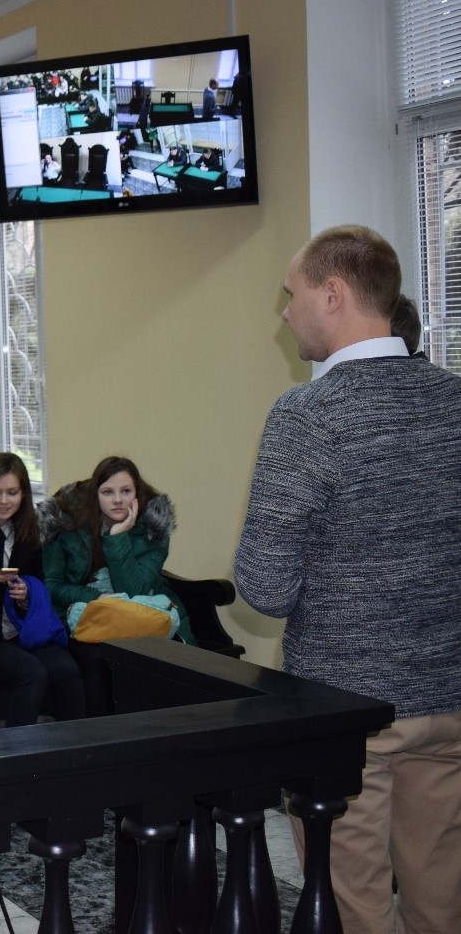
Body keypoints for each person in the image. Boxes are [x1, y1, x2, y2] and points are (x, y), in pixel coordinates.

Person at [234, 224, 461, 934]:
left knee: (354, 907)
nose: (285, 312)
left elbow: (265, 587)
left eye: (292, 293)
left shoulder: (307, 415)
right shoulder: (454, 400)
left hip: (346, 713)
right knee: (441, 902)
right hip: (450, 699)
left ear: (333, 294)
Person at [41, 456, 192, 716]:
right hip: (82, 614)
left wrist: (118, 536)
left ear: (137, 493)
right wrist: (95, 598)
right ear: (95, 495)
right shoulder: (66, 523)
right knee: (96, 659)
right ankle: (99, 734)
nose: (118, 500)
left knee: (148, 658)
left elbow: (136, 590)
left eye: (126, 491)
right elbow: (51, 584)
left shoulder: (153, 526)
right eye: (108, 492)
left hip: (141, 611)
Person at [0, 453, 83, 726]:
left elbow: (38, 580)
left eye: (12, 493)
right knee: (32, 673)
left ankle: (78, 746)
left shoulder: (28, 531)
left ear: (24, 494)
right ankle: (13, 750)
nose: (4, 501)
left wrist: (26, 596)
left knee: (67, 670)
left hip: (21, 629)